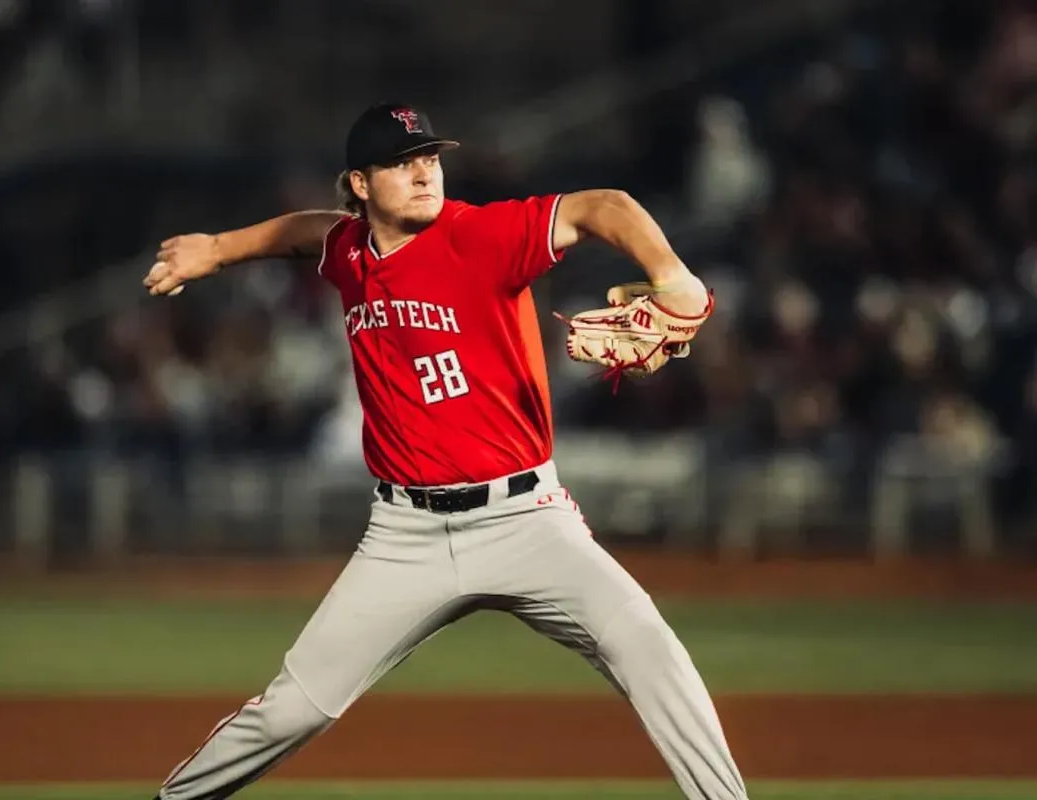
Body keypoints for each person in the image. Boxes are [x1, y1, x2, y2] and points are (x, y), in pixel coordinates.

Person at [143, 102, 746, 800]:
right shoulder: (350, 252)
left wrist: (673, 277)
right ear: (361, 185)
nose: (425, 171)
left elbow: (602, 206)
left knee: (650, 650)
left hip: (528, 519)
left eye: (429, 156)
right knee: (294, 708)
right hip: (405, 535)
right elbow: (306, 233)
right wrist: (217, 249)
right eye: (403, 162)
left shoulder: (479, 235)